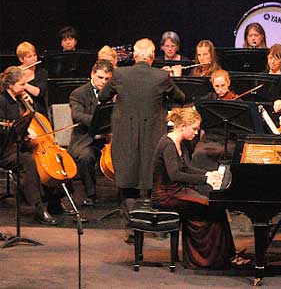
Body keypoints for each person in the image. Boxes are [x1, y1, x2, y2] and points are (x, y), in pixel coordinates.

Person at [152, 107, 250, 269]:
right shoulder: (168, 144)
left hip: (177, 191)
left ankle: (228, 255)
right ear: (182, 126)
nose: (196, 133)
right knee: (212, 208)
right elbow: (175, 175)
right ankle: (208, 259)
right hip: (167, 195)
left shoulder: (179, 143)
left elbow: (188, 167)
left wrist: (208, 173)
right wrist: (206, 179)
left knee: (216, 207)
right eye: (194, 129)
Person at [98, 38, 185, 208]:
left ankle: (132, 223)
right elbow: (180, 98)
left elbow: (102, 97)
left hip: (125, 136)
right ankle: (154, 221)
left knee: (128, 180)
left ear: (134, 56)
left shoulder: (120, 74)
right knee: (152, 177)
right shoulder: (161, 76)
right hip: (153, 136)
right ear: (152, 57)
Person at [0, 66, 58, 225]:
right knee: (27, 161)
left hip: (22, 145)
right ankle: (38, 208)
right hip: (6, 149)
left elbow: (34, 118)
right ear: (11, 85)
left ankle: (55, 202)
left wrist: (29, 104)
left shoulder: (21, 99)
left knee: (52, 160)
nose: (24, 86)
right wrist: (22, 132)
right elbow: (4, 128)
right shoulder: (2, 101)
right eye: (21, 84)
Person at [68, 60, 114, 206]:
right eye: (100, 77)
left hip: (110, 138)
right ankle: (90, 193)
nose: (103, 82)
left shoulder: (115, 91)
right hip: (86, 137)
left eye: (107, 79)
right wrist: (98, 122)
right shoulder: (79, 93)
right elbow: (77, 115)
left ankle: (126, 194)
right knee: (85, 157)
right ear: (92, 74)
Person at [16, 41, 48, 116]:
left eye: (34, 55)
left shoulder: (42, 72)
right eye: (29, 57)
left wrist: (23, 84)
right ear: (21, 59)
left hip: (38, 109)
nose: (34, 59)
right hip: (19, 109)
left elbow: (38, 92)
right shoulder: (15, 72)